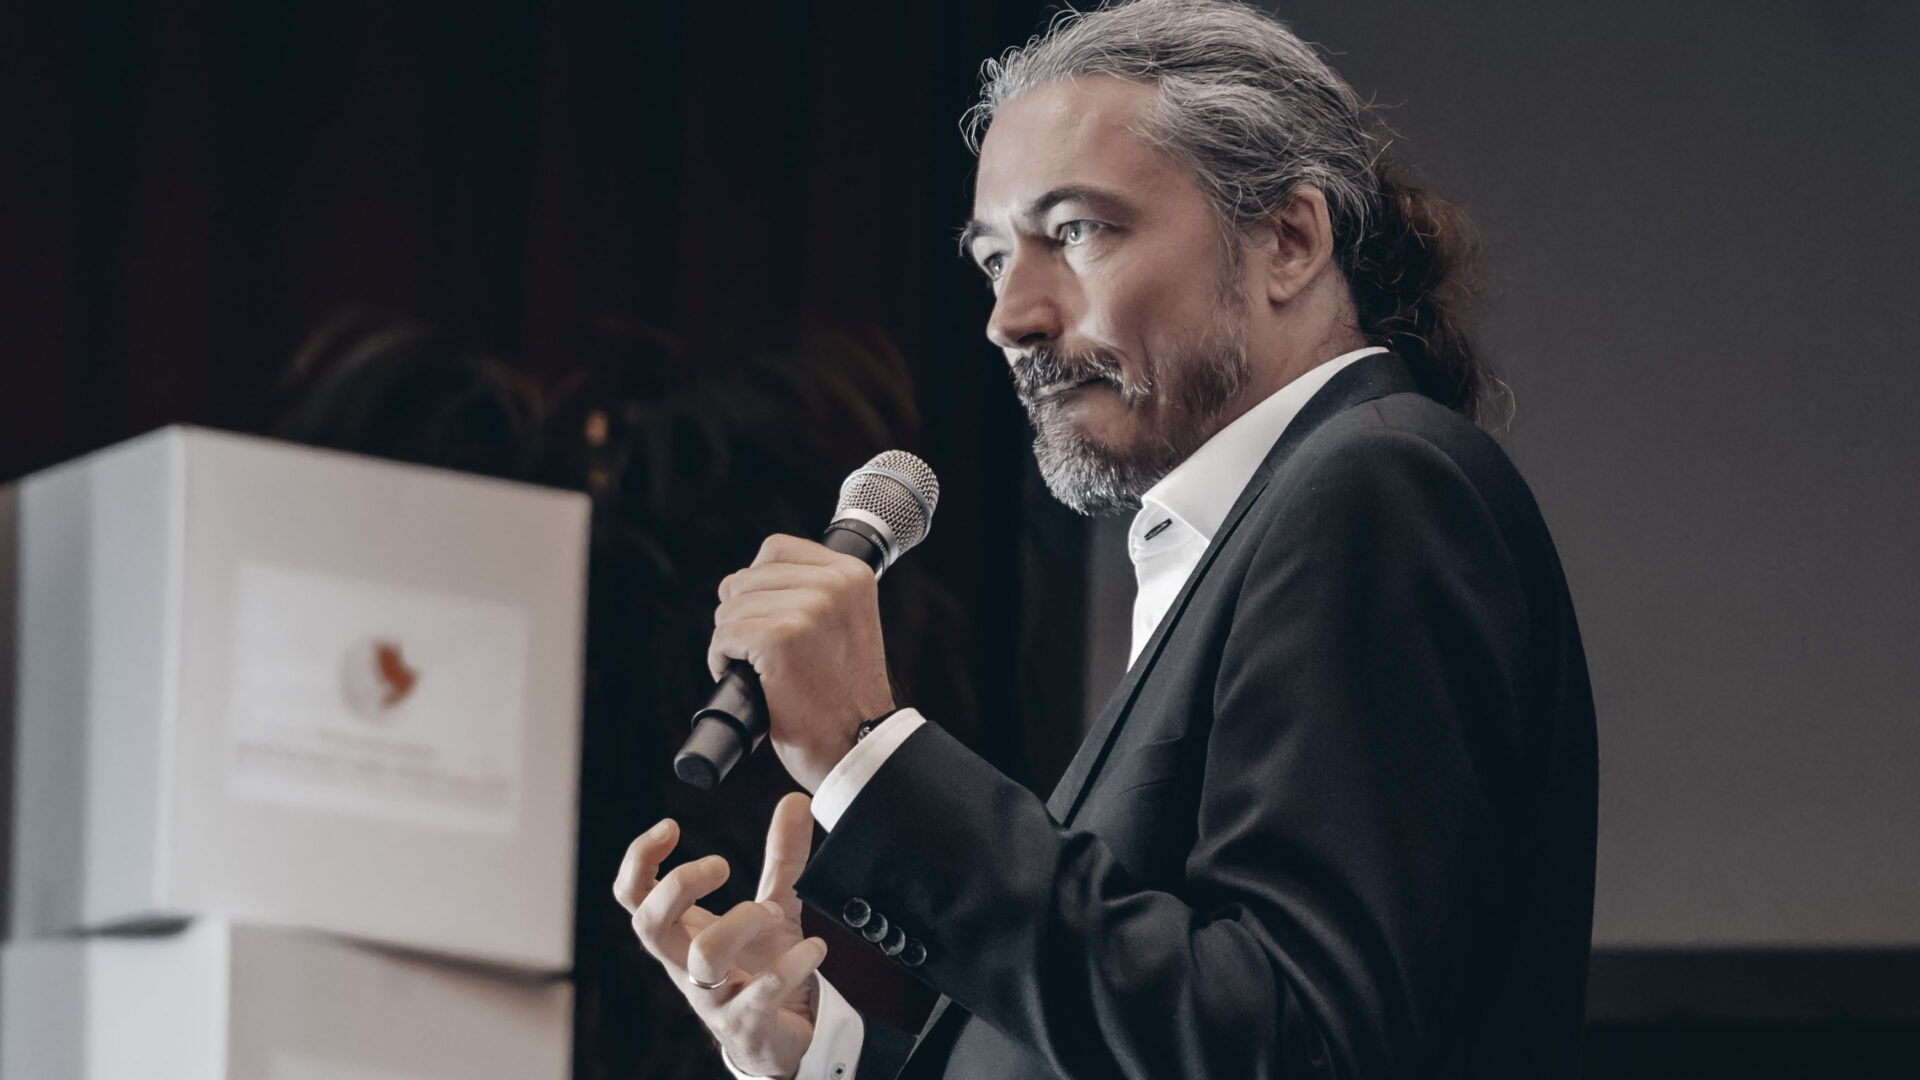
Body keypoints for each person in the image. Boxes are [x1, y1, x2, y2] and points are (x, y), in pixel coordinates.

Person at [612, 1, 1597, 1076]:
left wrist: (865, 750)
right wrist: (830, 1057)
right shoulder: (1254, 529)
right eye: (994, 259)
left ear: (1289, 240)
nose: (1010, 318)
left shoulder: (1378, 486)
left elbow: (1288, 1045)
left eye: (1077, 231)